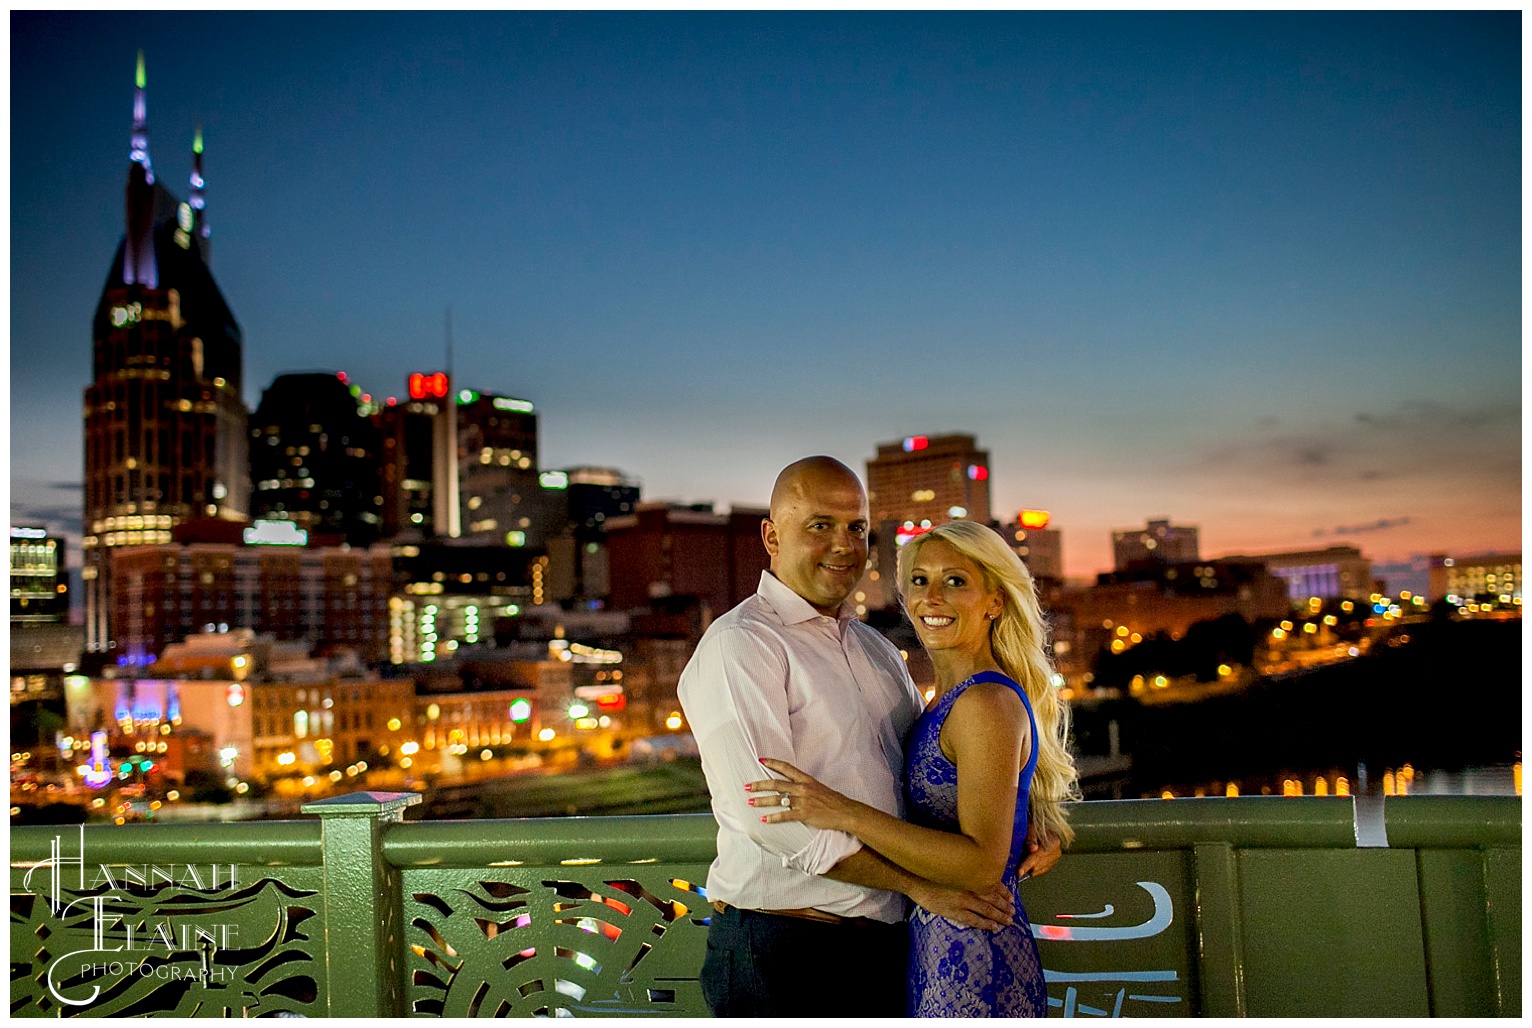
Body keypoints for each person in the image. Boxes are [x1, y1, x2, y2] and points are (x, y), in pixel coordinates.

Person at [677, 457, 1060, 1018]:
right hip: (786, 951)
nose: (842, 544)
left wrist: (1022, 815)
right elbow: (778, 826)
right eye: (820, 525)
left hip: (891, 948)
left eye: (855, 527)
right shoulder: (742, 645)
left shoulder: (876, 651)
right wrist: (919, 885)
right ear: (771, 535)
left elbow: (935, 774)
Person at [749, 518, 1081, 1017]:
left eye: (956, 581)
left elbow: (981, 864)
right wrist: (1028, 816)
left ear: (995, 601)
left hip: (973, 958)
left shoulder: (986, 702)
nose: (932, 597)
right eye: (920, 580)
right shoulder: (939, 696)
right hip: (933, 943)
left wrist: (846, 812)